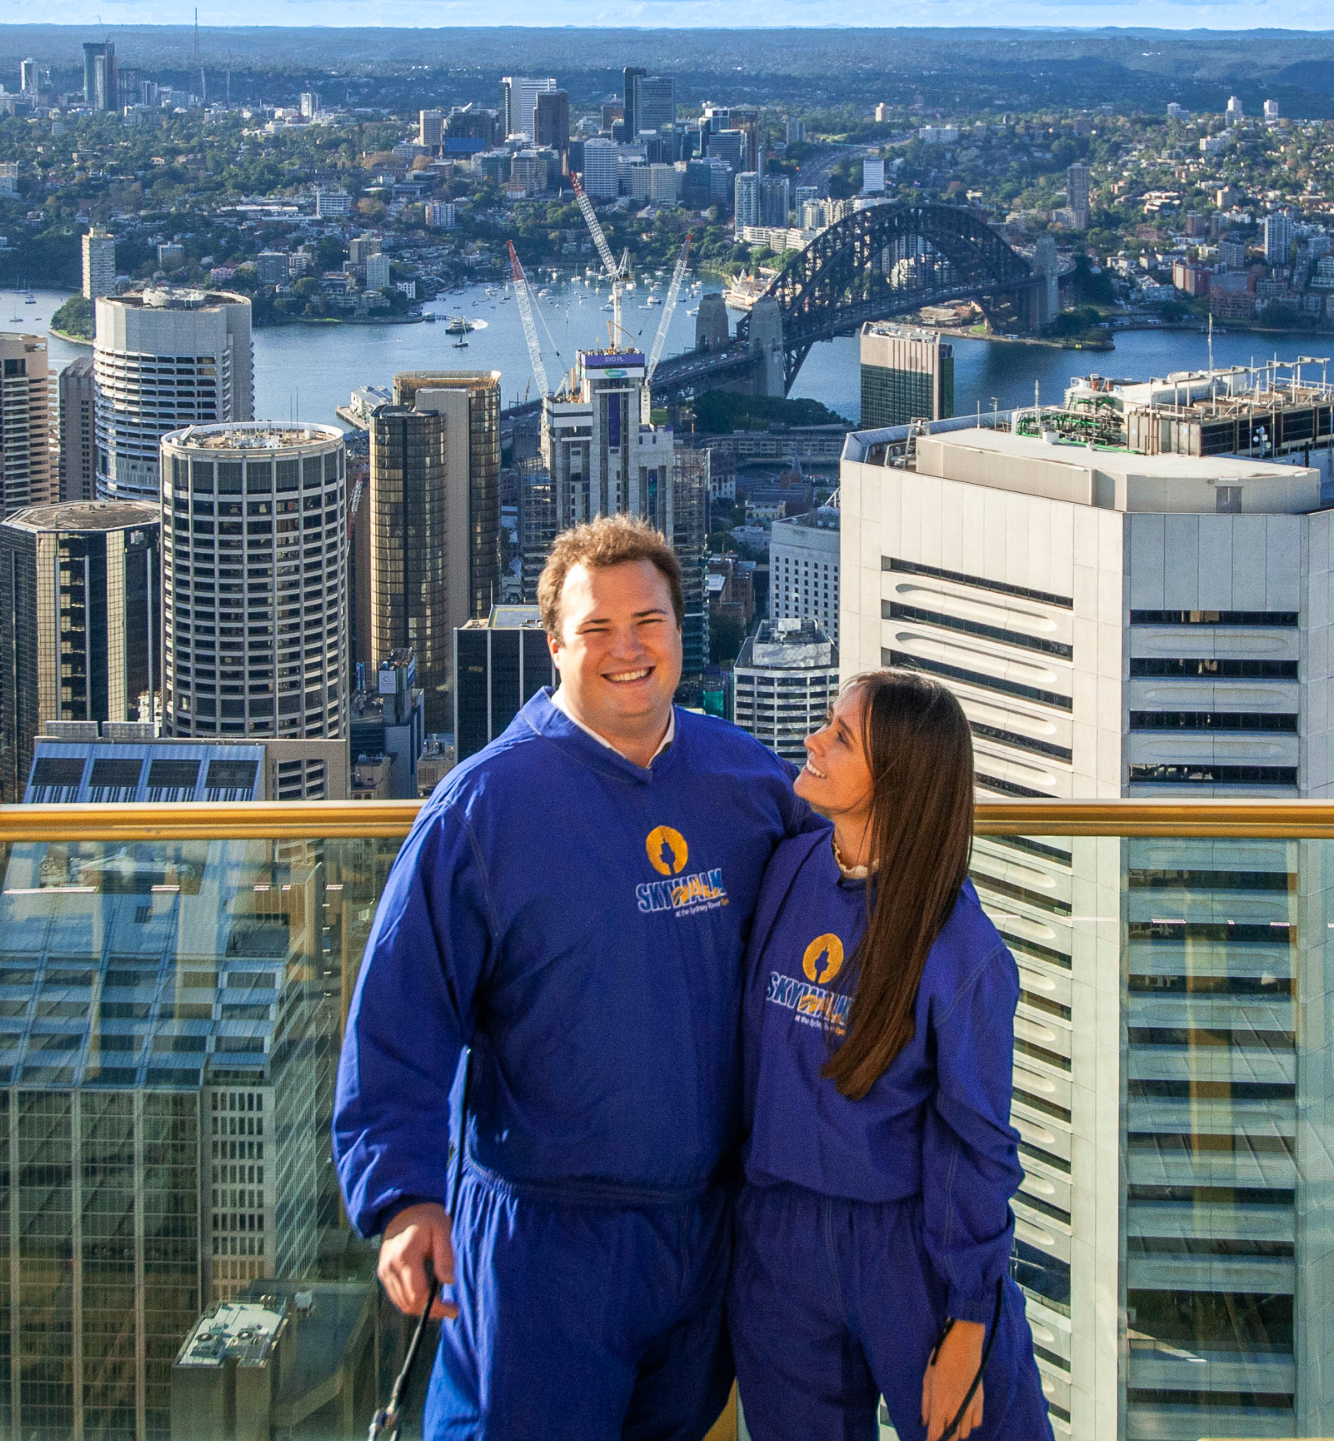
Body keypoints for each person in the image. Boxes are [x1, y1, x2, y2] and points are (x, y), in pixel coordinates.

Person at [333, 514, 818, 1440]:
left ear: (684, 632)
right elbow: (401, 1011)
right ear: (554, 643)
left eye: (650, 623)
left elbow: (846, 911)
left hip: (705, 1234)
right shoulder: (485, 806)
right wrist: (401, 1198)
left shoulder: (750, 782)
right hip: (542, 1241)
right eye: (597, 628)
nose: (627, 649)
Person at [731, 671, 1050, 1441]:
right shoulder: (788, 868)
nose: (812, 741)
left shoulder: (960, 949)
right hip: (779, 1250)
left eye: (841, 736)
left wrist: (970, 1321)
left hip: (913, 1254)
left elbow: (977, 1143)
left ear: (896, 783)